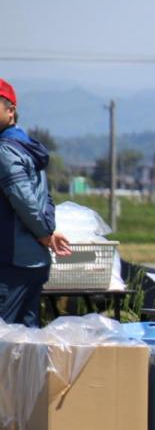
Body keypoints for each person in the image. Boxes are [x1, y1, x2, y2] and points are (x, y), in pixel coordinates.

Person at [0, 78, 70, 326]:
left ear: (11, 110)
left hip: (13, 259)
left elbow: (24, 199)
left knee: (4, 333)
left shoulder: (5, 150)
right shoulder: (27, 147)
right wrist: (48, 232)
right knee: (26, 340)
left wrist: (43, 233)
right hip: (34, 260)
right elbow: (45, 197)